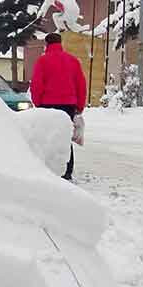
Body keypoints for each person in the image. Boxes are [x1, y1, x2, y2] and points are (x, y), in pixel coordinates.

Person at [29, 31, 87, 180]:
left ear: (46, 44)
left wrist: (38, 104)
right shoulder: (73, 61)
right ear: (60, 43)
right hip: (68, 104)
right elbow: (81, 85)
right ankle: (67, 170)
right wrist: (79, 106)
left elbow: (36, 85)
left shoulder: (42, 61)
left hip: (48, 104)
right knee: (65, 136)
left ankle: (50, 168)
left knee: (48, 135)